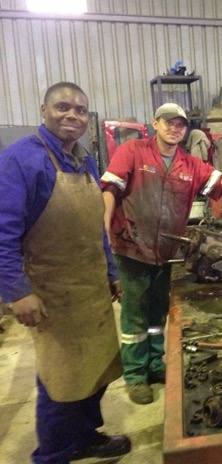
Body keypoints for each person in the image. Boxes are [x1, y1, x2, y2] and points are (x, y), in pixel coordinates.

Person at [0, 82, 131, 463]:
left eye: (80, 110)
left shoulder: (84, 160)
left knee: (94, 372)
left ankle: (85, 438)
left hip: (91, 290)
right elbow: (3, 233)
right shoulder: (20, 160)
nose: (72, 115)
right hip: (52, 294)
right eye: (62, 107)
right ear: (43, 110)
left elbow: (94, 226)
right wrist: (17, 292)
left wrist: (111, 271)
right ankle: (54, 453)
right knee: (60, 381)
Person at [101, 103, 222, 404]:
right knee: (135, 315)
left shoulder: (190, 164)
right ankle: (136, 376)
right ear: (155, 123)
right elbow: (109, 190)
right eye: (168, 122)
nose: (174, 128)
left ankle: (155, 365)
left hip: (166, 253)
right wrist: (102, 236)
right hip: (131, 248)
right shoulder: (132, 151)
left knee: (158, 313)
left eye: (180, 124)